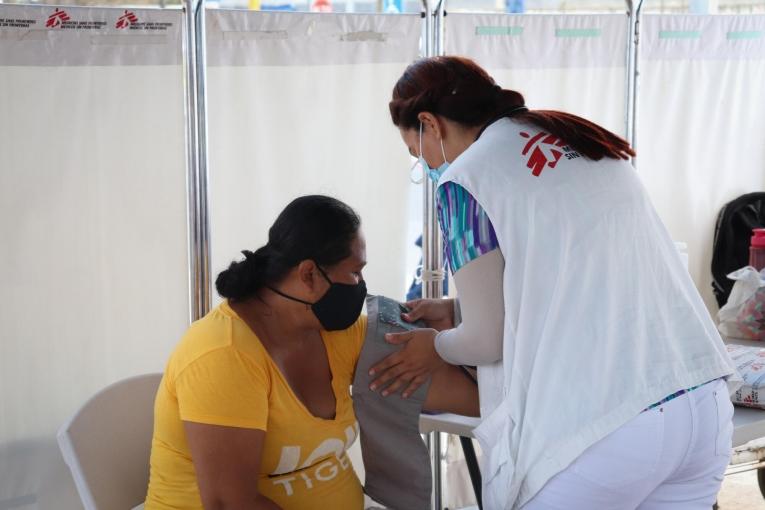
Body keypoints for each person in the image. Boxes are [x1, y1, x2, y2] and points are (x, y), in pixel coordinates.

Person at [369, 56, 740, 509]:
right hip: (698, 405)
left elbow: (486, 343)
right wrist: (459, 310)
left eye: (416, 153)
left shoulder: (467, 179)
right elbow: (575, 277)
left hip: (604, 431)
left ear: (429, 123)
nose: (424, 166)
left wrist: (435, 346)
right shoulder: (578, 141)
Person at [144, 195, 478, 510]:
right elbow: (230, 504)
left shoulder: (337, 333)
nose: (361, 285)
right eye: (354, 272)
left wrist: (452, 337)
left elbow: (475, 397)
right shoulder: (223, 354)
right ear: (308, 274)